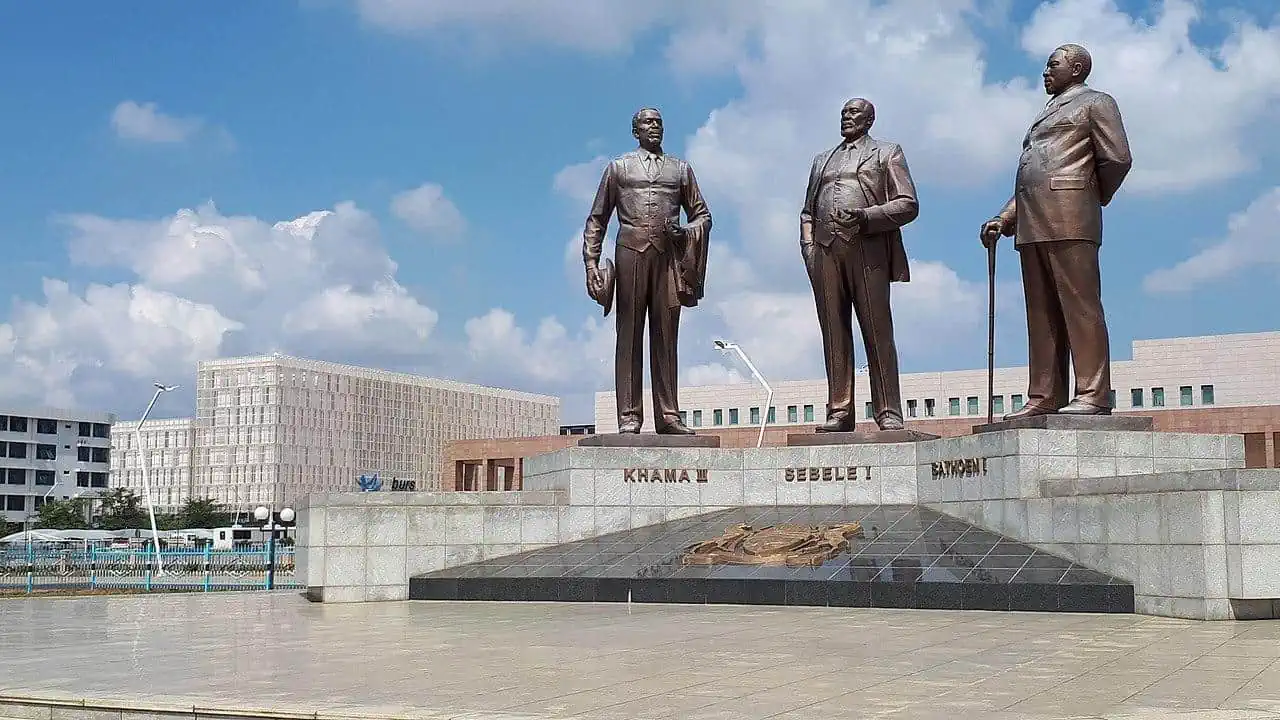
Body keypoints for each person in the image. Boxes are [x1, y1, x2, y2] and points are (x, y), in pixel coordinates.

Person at [981, 43, 1132, 419]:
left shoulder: (1097, 102)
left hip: (1071, 215)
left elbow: (1117, 158)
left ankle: (1093, 393)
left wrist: (1086, 193)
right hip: (1031, 221)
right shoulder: (1046, 111)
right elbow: (1031, 176)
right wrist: (1004, 216)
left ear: (1077, 69)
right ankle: (1045, 394)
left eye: (1053, 66)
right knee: (1041, 312)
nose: (1045, 73)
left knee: (1080, 306)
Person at [582, 108, 712, 434]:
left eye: (658, 123)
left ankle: (668, 415)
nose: (653, 127)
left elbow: (702, 216)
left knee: (666, 337)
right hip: (630, 255)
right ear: (635, 130)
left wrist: (686, 233)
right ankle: (629, 415)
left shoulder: (680, 169)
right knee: (629, 336)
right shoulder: (618, 168)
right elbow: (597, 219)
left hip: (668, 259)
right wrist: (590, 263)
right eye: (647, 123)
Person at [800, 98, 919, 433]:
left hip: (868, 250)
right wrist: (809, 249)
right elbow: (807, 212)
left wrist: (867, 217)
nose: (846, 118)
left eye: (853, 114)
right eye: (843, 114)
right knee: (834, 333)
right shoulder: (822, 159)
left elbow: (908, 204)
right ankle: (839, 410)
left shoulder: (887, 152)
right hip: (825, 251)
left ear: (869, 120)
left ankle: (888, 410)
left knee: (877, 330)